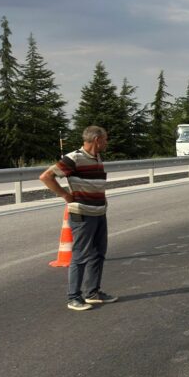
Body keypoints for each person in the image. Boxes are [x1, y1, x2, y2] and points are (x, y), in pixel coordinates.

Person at [39, 125, 118, 311]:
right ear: (97, 140)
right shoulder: (74, 158)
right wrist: (65, 195)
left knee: (98, 254)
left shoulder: (97, 157)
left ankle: (93, 293)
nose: (107, 142)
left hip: (99, 213)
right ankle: (74, 297)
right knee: (80, 256)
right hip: (82, 214)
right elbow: (46, 176)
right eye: (105, 139)